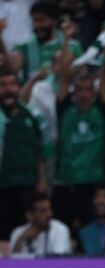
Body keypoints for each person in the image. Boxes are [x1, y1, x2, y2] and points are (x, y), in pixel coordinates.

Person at [52, 61, 105, 234]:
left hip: (93, 183)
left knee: (92, 235)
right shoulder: (64, 109)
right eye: (79, 89)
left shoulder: (101, 110)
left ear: (94, 93)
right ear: (73, 92)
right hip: (65, 182)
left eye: (88, 90)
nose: (83, 94)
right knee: (62, 233)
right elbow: (63, 77)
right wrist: (67, 38)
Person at [0, 66, 46, 241]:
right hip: (3, 187)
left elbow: (39, 150)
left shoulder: (29, 115)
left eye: (12, 84)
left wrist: (42, 179)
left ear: (19, 88)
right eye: (2, 85)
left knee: (28, 236)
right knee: (3, 237)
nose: (8, 89)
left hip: (29, 187)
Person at [7, 1, 83, 82]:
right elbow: (12, 69)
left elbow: (81, 74)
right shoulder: (25, 45)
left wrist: (67, 39)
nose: (36, 25)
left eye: (41, 20)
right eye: (34, 20)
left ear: (54, 21)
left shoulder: (72, 45)